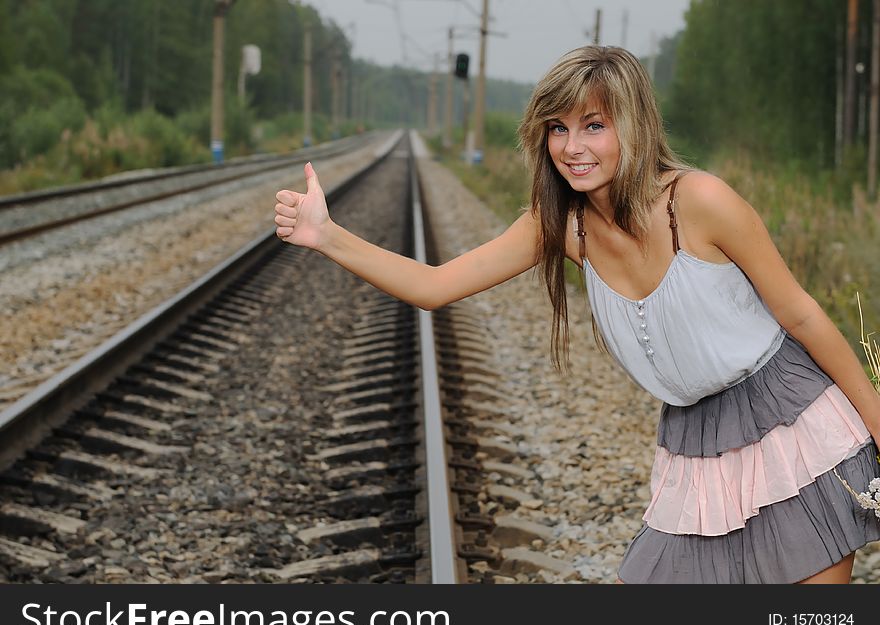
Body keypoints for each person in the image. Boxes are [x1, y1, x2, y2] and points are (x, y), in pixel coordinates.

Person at [274, 45, 880, 584]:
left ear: (633, 124)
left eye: (594, 125)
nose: (573, 147)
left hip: (790, 418)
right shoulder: (560, 224)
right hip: (693, 440)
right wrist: (328, 236)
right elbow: (435, 286)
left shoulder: (700, 202)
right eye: (558, 128)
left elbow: (801, 315)